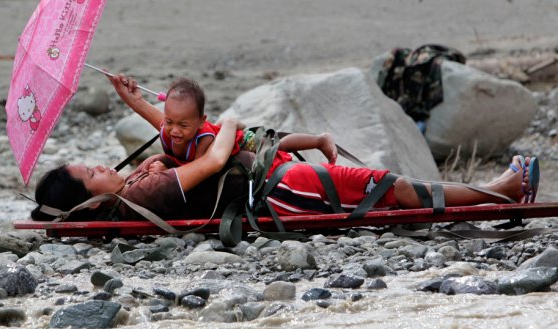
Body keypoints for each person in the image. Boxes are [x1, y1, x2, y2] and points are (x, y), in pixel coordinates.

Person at [31, 77, 536, 222]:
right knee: (386, 187)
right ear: (89, 198)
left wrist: (133, 99)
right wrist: (226, 123)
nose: (101, 164)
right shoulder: (151, 190)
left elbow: (174, 137)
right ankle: (500, 191)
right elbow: (207, 159)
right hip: (276, 193)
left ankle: (491, 191)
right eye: (91, 172)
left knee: (380, 188)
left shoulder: (135, 190)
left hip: (268, 181)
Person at [109, 75, 337, 168]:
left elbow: (197, 170)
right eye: (169, 121)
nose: (174, 130)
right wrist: (125, 92)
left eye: (183, 125)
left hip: (235, 140)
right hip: (223, 138)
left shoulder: (204, 138)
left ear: (201, 122)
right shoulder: (169, 127)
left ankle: (319, 140)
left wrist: (164, 169)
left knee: (275, 142)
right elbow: (141, 106)